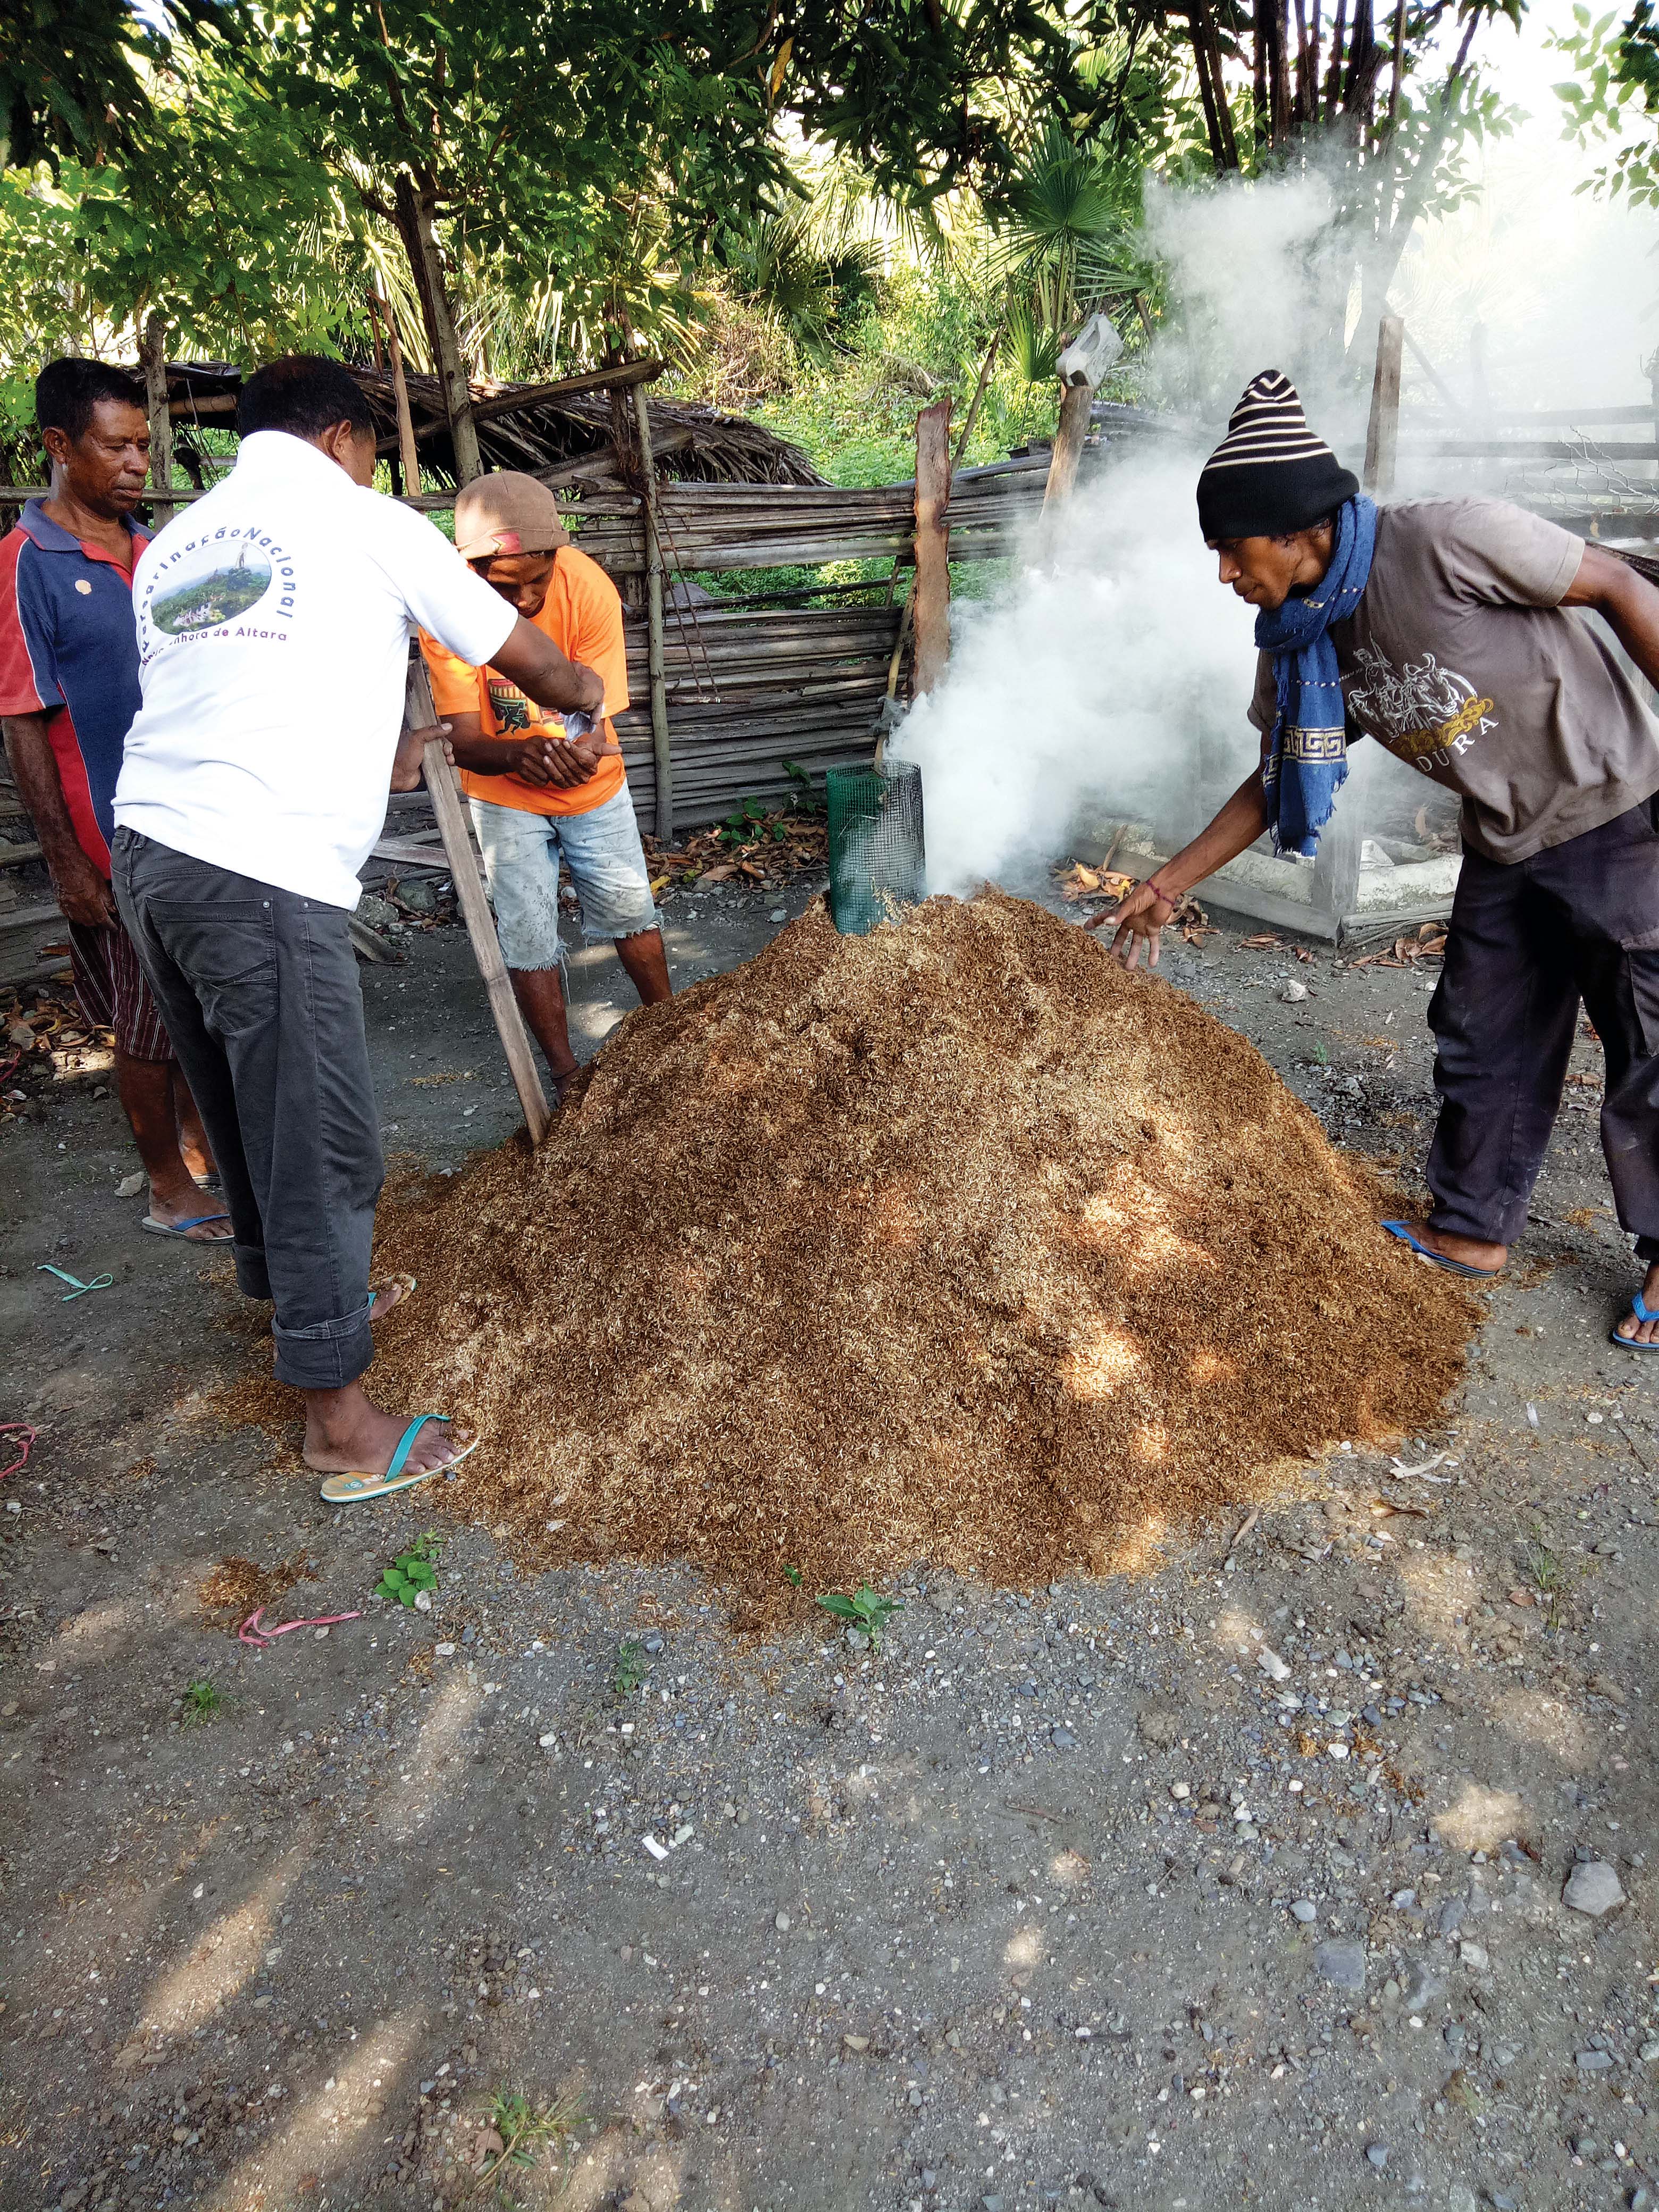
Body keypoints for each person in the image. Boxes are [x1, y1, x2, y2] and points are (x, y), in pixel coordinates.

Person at [110, 356, 605, 1501]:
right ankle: (340, 1422)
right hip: (255, 873)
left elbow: (294, 708)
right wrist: (586, 704)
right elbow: (526, 659)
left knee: (242, 1109)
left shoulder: (182, 543)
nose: (378, 466)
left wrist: (416, 736)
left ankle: (301, 1304)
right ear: (342, 438)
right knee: (324, 1138)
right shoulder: (365, 520)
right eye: (379, 448)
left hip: (155, 853)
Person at [1100, 367, 1659, 1353]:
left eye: (1232, 550)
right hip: (1504, 835)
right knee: (1482, 1032)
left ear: (1298, 530)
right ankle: (1475, 1229)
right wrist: (1166, 885)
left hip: (1618, 813)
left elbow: (1614, 579)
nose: (1226, 574)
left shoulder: (1444, 540)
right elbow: (1275, 775)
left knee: (1648, 1041)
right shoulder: (1299, 641)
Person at [0, 357, 229, 1241]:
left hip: (198, 821)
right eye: (115, 446)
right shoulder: (28, 563)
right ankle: (169, 1188)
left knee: (202, 1003)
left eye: (144, 444)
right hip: (113, 836)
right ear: (59, 446)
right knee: (148, 1021)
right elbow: (22, 719)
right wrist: (64, 859)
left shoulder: (162, 549)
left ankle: (203, 1148)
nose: (138, 463)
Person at [421, 471, 671, 1103]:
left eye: (540, 578)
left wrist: (563, 756)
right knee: (528, 937)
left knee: (631, 913)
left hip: (593, 792)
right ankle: (565, 1076)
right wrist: (520, 754)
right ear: (475, 572)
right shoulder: (448, 610)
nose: (530, 598)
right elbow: (466, 740)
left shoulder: (587, 586)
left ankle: (677, 1036)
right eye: (510, 587)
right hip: (504, 798)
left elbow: (596, 726)